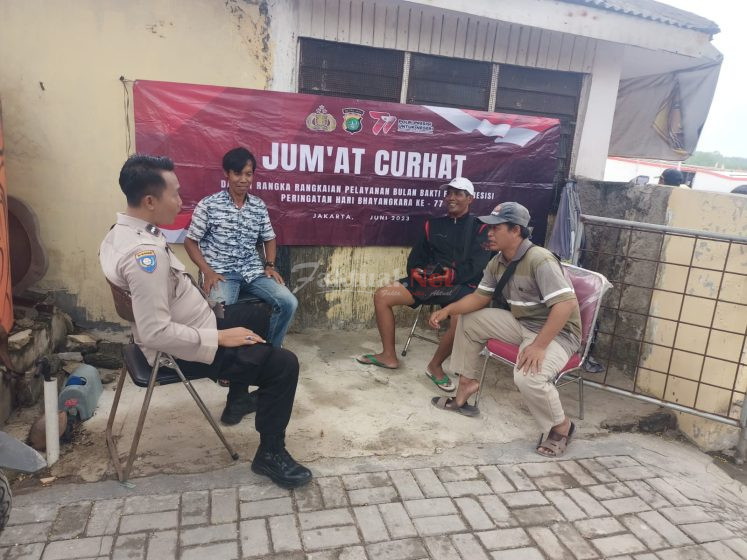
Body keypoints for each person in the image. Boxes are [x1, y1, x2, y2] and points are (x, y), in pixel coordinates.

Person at [99, 154, 311, 488]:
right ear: (150, 201)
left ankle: (239, 396)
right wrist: (220, 338)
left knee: (260, 313)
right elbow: (155, 332)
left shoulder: (120, 233)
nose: (180, 201)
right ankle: (270, 453)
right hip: (182, 347)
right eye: (175, 194)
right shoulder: (145, 256)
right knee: (284, 365)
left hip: (199, 320)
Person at [429, 202, 581, 458]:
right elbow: (479, 298)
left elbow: (565, 306)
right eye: (488, 228)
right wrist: (448, 310)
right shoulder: (498, 262)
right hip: (522, 323)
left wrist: (539, 346)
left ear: (516, 230)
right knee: (469, 320)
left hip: (557, 333)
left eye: (495, 228)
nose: (488, 233)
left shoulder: (540, 259)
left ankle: (561, 426)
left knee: (528, 377)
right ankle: (466, 386)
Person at [357, 177, 491, 392]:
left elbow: (477, 267)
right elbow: (416, 257)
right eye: (449, 193)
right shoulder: (432, 224)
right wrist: (417, 272)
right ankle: (388, 356)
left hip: (463, 285)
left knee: (460, 318)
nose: (451, 198)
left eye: (458, 193)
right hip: (429, 283)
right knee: (383, 295)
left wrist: (450, 276)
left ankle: (435, 366)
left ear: (470, 199)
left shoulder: (481, 228)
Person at [184, 147, 297, 347]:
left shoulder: (258, 206)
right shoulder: (209, 205)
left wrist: (270, 265)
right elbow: (190, 241)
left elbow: (269, 238)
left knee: (289, 302)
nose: (243, 179)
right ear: (226, 174)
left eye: (248, 174)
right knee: (220, 313)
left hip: (253, 272)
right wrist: (207, 271)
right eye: (238, 173)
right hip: (221, 274)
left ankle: (270, 350)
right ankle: (225, 360)